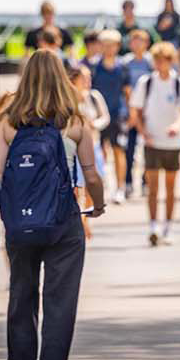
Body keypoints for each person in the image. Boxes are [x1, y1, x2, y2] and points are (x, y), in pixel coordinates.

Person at [0, 51, 107, 360]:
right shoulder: (75, 122)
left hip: (20, 222)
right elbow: (91, 174)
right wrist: (97, 205)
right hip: (64, 222)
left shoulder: (8, 122)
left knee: (21, 296)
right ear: (61, 78)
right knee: (60, 303)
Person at [129, 42, 180, 246]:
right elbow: (136, 111)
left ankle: (168, 227)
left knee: (171, 188)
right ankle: (153, 226)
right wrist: (143, 133)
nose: (159, 63)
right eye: (156, 59)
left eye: (163, 60)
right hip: (152, 142)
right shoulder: (146, 82)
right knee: (153, 188)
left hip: (173, 144)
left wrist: (177, 125)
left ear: (170, 61)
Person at [86, 30, 129, 204]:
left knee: (119, 151)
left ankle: (120, 188)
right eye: (105, 45)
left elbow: (127, 92)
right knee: (99, 152)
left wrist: (130, 115)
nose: (108, 48)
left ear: (118, 46)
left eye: (112, 45)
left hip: (118, 115)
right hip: (98, 118)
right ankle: (102, 187)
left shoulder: (122, 67)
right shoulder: (94, 68)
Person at [69, 61, 110, 240]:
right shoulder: (68, 99)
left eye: (89, 77)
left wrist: (94, 124)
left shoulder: (94, 96)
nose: (88, 81)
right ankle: (81, 221)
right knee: (77, 187)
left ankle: (85, 217)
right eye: (84, 78)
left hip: (94, 146)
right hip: (75, 149)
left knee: (93, 185)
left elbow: (105, 117)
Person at [118, 28, 154, 200]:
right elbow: (124, 88)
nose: (137, 44)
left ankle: (146, 183)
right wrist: (132, 111)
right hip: (129, 113)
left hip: (147, 112)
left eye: (141, 41)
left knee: (148, 149)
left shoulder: (151, 62)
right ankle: (128, 182)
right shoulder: (125, 62)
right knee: (129, 149)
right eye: (134, 41)